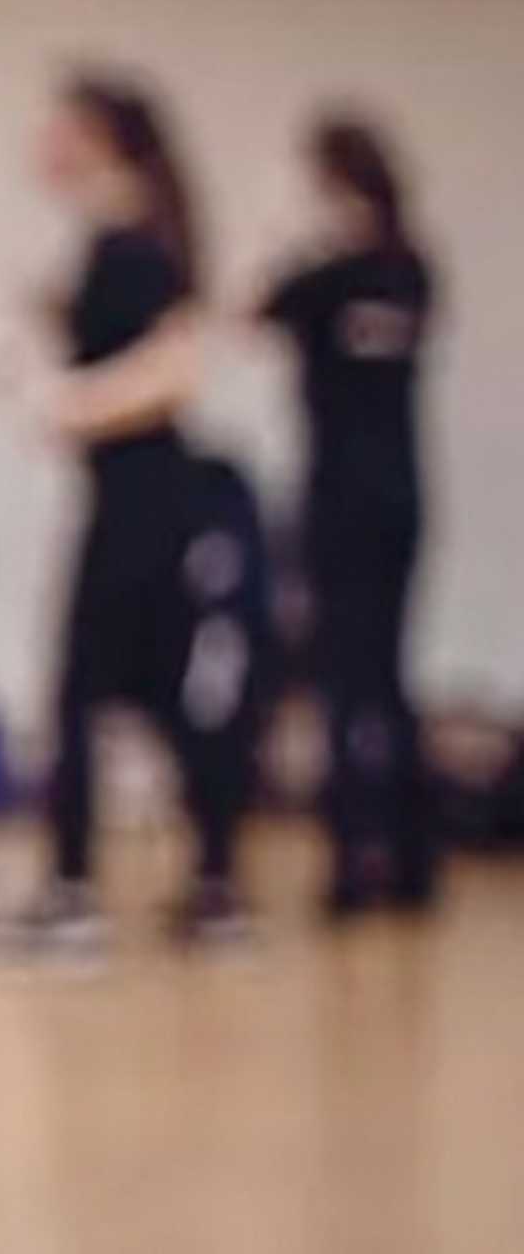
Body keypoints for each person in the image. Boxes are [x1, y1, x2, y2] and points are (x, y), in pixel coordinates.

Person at [2, 72, 262, 954]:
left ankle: (80, 895)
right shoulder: (125, 239)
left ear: (98, 136)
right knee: (148, 696)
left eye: (57, 127)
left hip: (144, 503)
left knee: (83, 695)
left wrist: (68, 404)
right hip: (134, 499)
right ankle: (215, 883)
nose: (41, 142)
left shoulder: (134, 243)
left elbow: (176, 370)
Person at [265, 111, 438, 916]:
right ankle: (399, 863)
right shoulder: (411, 271)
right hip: (392, 494)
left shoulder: (345, 277)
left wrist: (306, 248)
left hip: (350, 498)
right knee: (375, 678)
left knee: (353, 680)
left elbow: (257, 305)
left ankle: (364, 866)